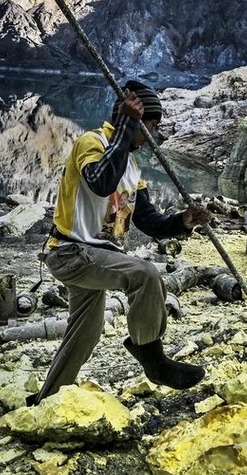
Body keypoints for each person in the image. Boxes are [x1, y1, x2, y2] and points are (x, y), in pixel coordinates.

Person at [28, 80, 212, 405]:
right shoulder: (91, 143)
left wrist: (183, 221)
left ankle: (47, 400)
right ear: (133, 121)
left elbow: (148, 220)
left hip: (97, 257)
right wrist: (127, 127)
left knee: (84, 335)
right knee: (144, 274)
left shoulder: (132, 165)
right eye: (150, 126)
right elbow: (101, 182)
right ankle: (152, 358)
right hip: (72, 251)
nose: (151, 136)